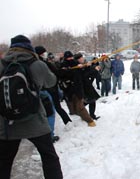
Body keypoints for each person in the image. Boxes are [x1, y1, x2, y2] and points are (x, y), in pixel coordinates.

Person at [0, 35, 63, 178]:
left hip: (7, 123)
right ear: (29, 47)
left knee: (4, 161)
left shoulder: (2, 64)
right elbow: (51, 82)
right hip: (35, 121)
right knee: (49, 157)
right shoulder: (37, 64)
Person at [35, 46, 72, 128]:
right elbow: (56, 73)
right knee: (54, 108)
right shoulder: (44, 63)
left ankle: (66, 121)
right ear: (40, 54)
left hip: (44, 88)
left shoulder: (36, 63)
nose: (45, 54)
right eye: (44, 53)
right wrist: (64, 70)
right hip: (50, 88)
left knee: (51, 108)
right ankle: (64, 123)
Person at [59, 51, 96, 127]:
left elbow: (83, 75)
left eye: (71, 57)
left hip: (78, 89)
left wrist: (86, 67)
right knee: (74, 109)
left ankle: (90, 121)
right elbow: (62, 75)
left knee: (80, 107)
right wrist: (69, 69)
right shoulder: (63, 66)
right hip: (69, 90)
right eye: (69, 58)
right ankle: (84, 117)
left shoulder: (76, 64)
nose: (70, 59)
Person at [74, 53, 101, 120]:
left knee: (91, 101)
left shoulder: (83, 65)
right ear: (78, 60)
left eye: (82, 57)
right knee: (87, 101)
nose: (82, 59)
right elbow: (84, 75)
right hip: (83, 87)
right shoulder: (77, 67)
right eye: (81, 58)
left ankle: (91, 115)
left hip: (88, 86)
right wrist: (92, 69)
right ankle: (82, 112)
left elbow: (89, 74)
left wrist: (92, 68)